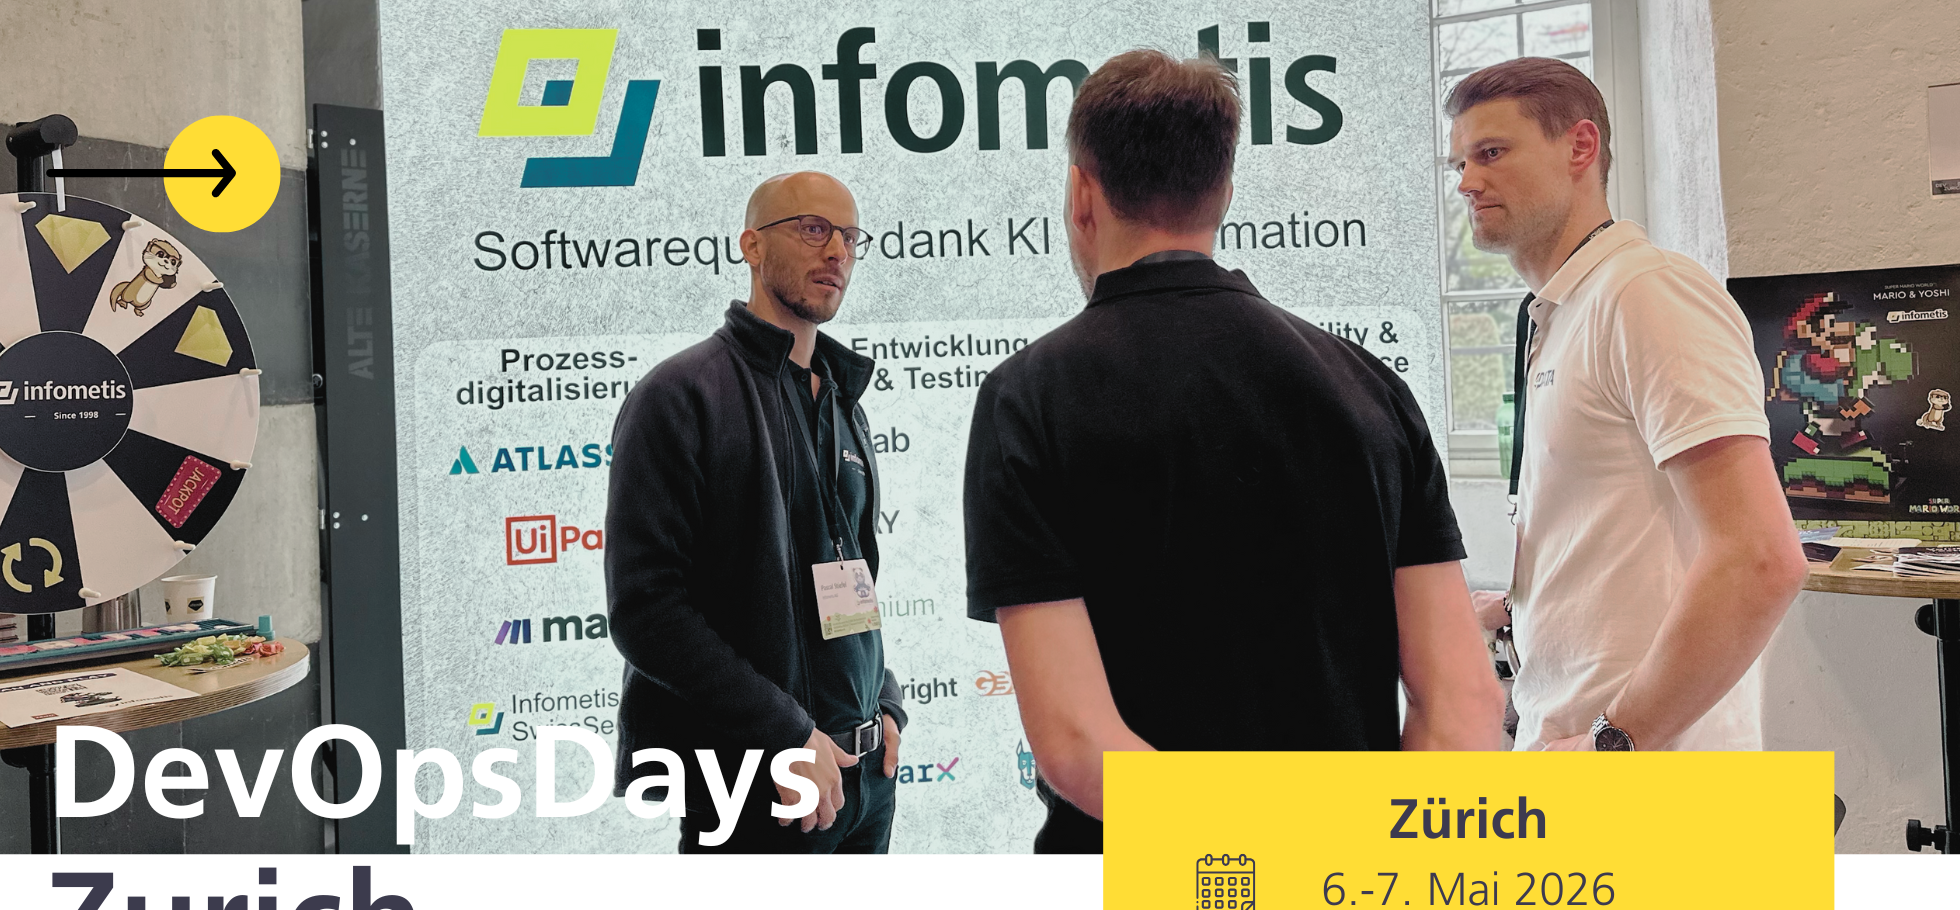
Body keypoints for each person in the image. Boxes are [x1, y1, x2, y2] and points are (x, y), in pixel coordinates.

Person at [962, 50, 1504, 854]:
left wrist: (1250, 858)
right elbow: (1464, 710)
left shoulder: (1027, 399)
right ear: (1222, 192)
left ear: (1082, 194)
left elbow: (1080, 746)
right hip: (1343, 881)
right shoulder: (1369, 389)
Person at [1448, 57, 1805, 753]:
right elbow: (1606, 529)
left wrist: (1614, 746)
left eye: (1491, 153)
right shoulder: (1562, 309)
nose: (1466, 182)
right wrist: (1514, 607)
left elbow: (1761, 558)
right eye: (1459, 162)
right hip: (1569, 745)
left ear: (1580, 147)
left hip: (1648, 767)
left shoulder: (1646, 293)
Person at [605, 171, 907, 852]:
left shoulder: (842, 401)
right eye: (813, 228)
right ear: (751, 245)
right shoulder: (681, 395)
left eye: (850, 236)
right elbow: (646, 611)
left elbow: (850, 578)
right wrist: (785, 732)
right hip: (760, 780)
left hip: (864, 779)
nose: (837, 251)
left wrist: (883, 699)